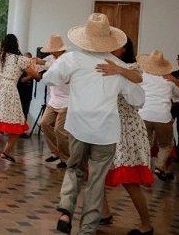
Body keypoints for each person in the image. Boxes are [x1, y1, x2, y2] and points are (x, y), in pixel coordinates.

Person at [43, 13, 144, 235]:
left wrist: (69, 79)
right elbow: (138, 99)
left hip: (78, 125)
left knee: (74, 169)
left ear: (85, 37)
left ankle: (66, 211)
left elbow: (48, 78)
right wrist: (123, 76)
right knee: (96, 181)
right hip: (106, 132)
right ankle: (87, 230)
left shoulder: (72, 58)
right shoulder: (117, 65)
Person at [100, 38, 155, 235]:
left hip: (126, 127)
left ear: (123, 49)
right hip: (107, 124)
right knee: (97, 173)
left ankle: (146, 224)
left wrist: (118, 69)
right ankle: (104, 213)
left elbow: (138, 78)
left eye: (114, 44)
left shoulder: (132, 67)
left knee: (128, 178)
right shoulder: (105, 64)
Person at [0, 34, 40, 163]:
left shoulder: (1, 57)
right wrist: (35, 67)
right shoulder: (21, 60)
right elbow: (36, 76)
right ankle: (6, 152)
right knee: (18, 124)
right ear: (17, 44)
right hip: (9, 90)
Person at [137, 50, 179, 181]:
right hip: (163, 117)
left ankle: (144, 170)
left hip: (144, 115)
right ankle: (159, 167)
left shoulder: (142, 77)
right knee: (166, 145)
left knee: (145, 144)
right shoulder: (169, 81)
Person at [39, 34, 70, 168]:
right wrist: (34, 63)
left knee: (59, 130)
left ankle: (66, 159)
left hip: (67, 100)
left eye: (53, 49)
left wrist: (43, 64)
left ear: (60, 49)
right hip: (53, 99)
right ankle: (56, 152)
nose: (51, 52)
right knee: (44, 123)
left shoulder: (68, 60)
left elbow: (58, 70)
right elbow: (41, 69)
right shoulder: (50, 58)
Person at [16, 51, 35, 138]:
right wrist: (32, 75)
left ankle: (22, 131)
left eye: (29, 59)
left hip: (28, 95)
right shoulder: (20, 69)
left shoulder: (31, 69)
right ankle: (16, 131)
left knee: (25, 113)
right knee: (18, 114)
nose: (28, 61)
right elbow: (22, 80)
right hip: (20, 94)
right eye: (26, 59)